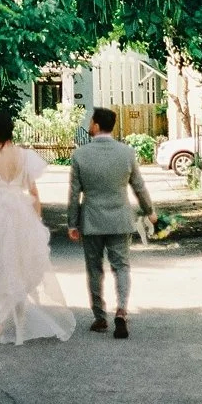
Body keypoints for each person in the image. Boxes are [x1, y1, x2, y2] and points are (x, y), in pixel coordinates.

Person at [0, 109, 76, 345]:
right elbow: (33, 192)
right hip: (20, 213)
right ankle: (20, 315)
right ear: (11, 131)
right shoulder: (24, 157)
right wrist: (37, 219)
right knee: (20, 263)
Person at [67, 106, 157, 339]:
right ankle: (122, 310)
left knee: (94, 269)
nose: (89, 125)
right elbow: (139, 186)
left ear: (96, 125)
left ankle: (99, 317)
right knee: (122, 267)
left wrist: (72, 224)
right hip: (119, 220)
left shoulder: (80, 155)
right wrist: (150, 211)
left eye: (90, 121)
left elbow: (74, 193)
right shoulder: (126, 153)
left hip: (92, 221)